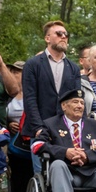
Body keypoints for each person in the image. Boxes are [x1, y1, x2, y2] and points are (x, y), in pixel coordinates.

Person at [22, 21, 82, 173]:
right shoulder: (33, 64)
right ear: (47, 38)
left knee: (67, 174)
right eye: (59, 33)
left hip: (64, 129)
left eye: (66, 34)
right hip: (40, 128)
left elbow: (76, 101)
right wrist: (38, 128)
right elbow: (30, 99)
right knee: (42, 173)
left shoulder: (73, 67)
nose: (64, 37)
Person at [5, 60, 32, 192]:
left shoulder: (33, 92)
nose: (14, 75)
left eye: (18, 72)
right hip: (12, 142)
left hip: (29, 141)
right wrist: (8, 124)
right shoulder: (7, 93)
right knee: (15, 183)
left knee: (28, 178)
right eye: (13, 71)